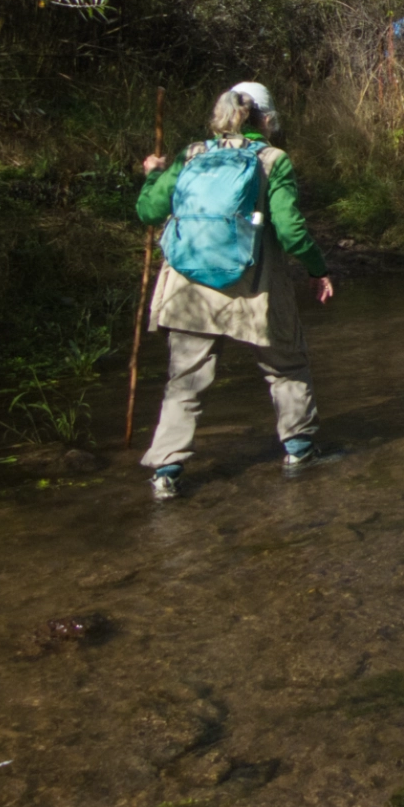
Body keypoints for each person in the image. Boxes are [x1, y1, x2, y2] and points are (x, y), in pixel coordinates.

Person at [135, 81, 335, 500]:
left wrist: (153, 177)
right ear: (267, 119)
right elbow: (291, 231)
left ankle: (167, 470)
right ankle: (299, 451)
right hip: (255, 286)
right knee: (286, 366)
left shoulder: (191, 155)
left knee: (184, 382)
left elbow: (149, 211)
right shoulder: (273, 160)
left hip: (188, 287)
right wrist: (318, 270)